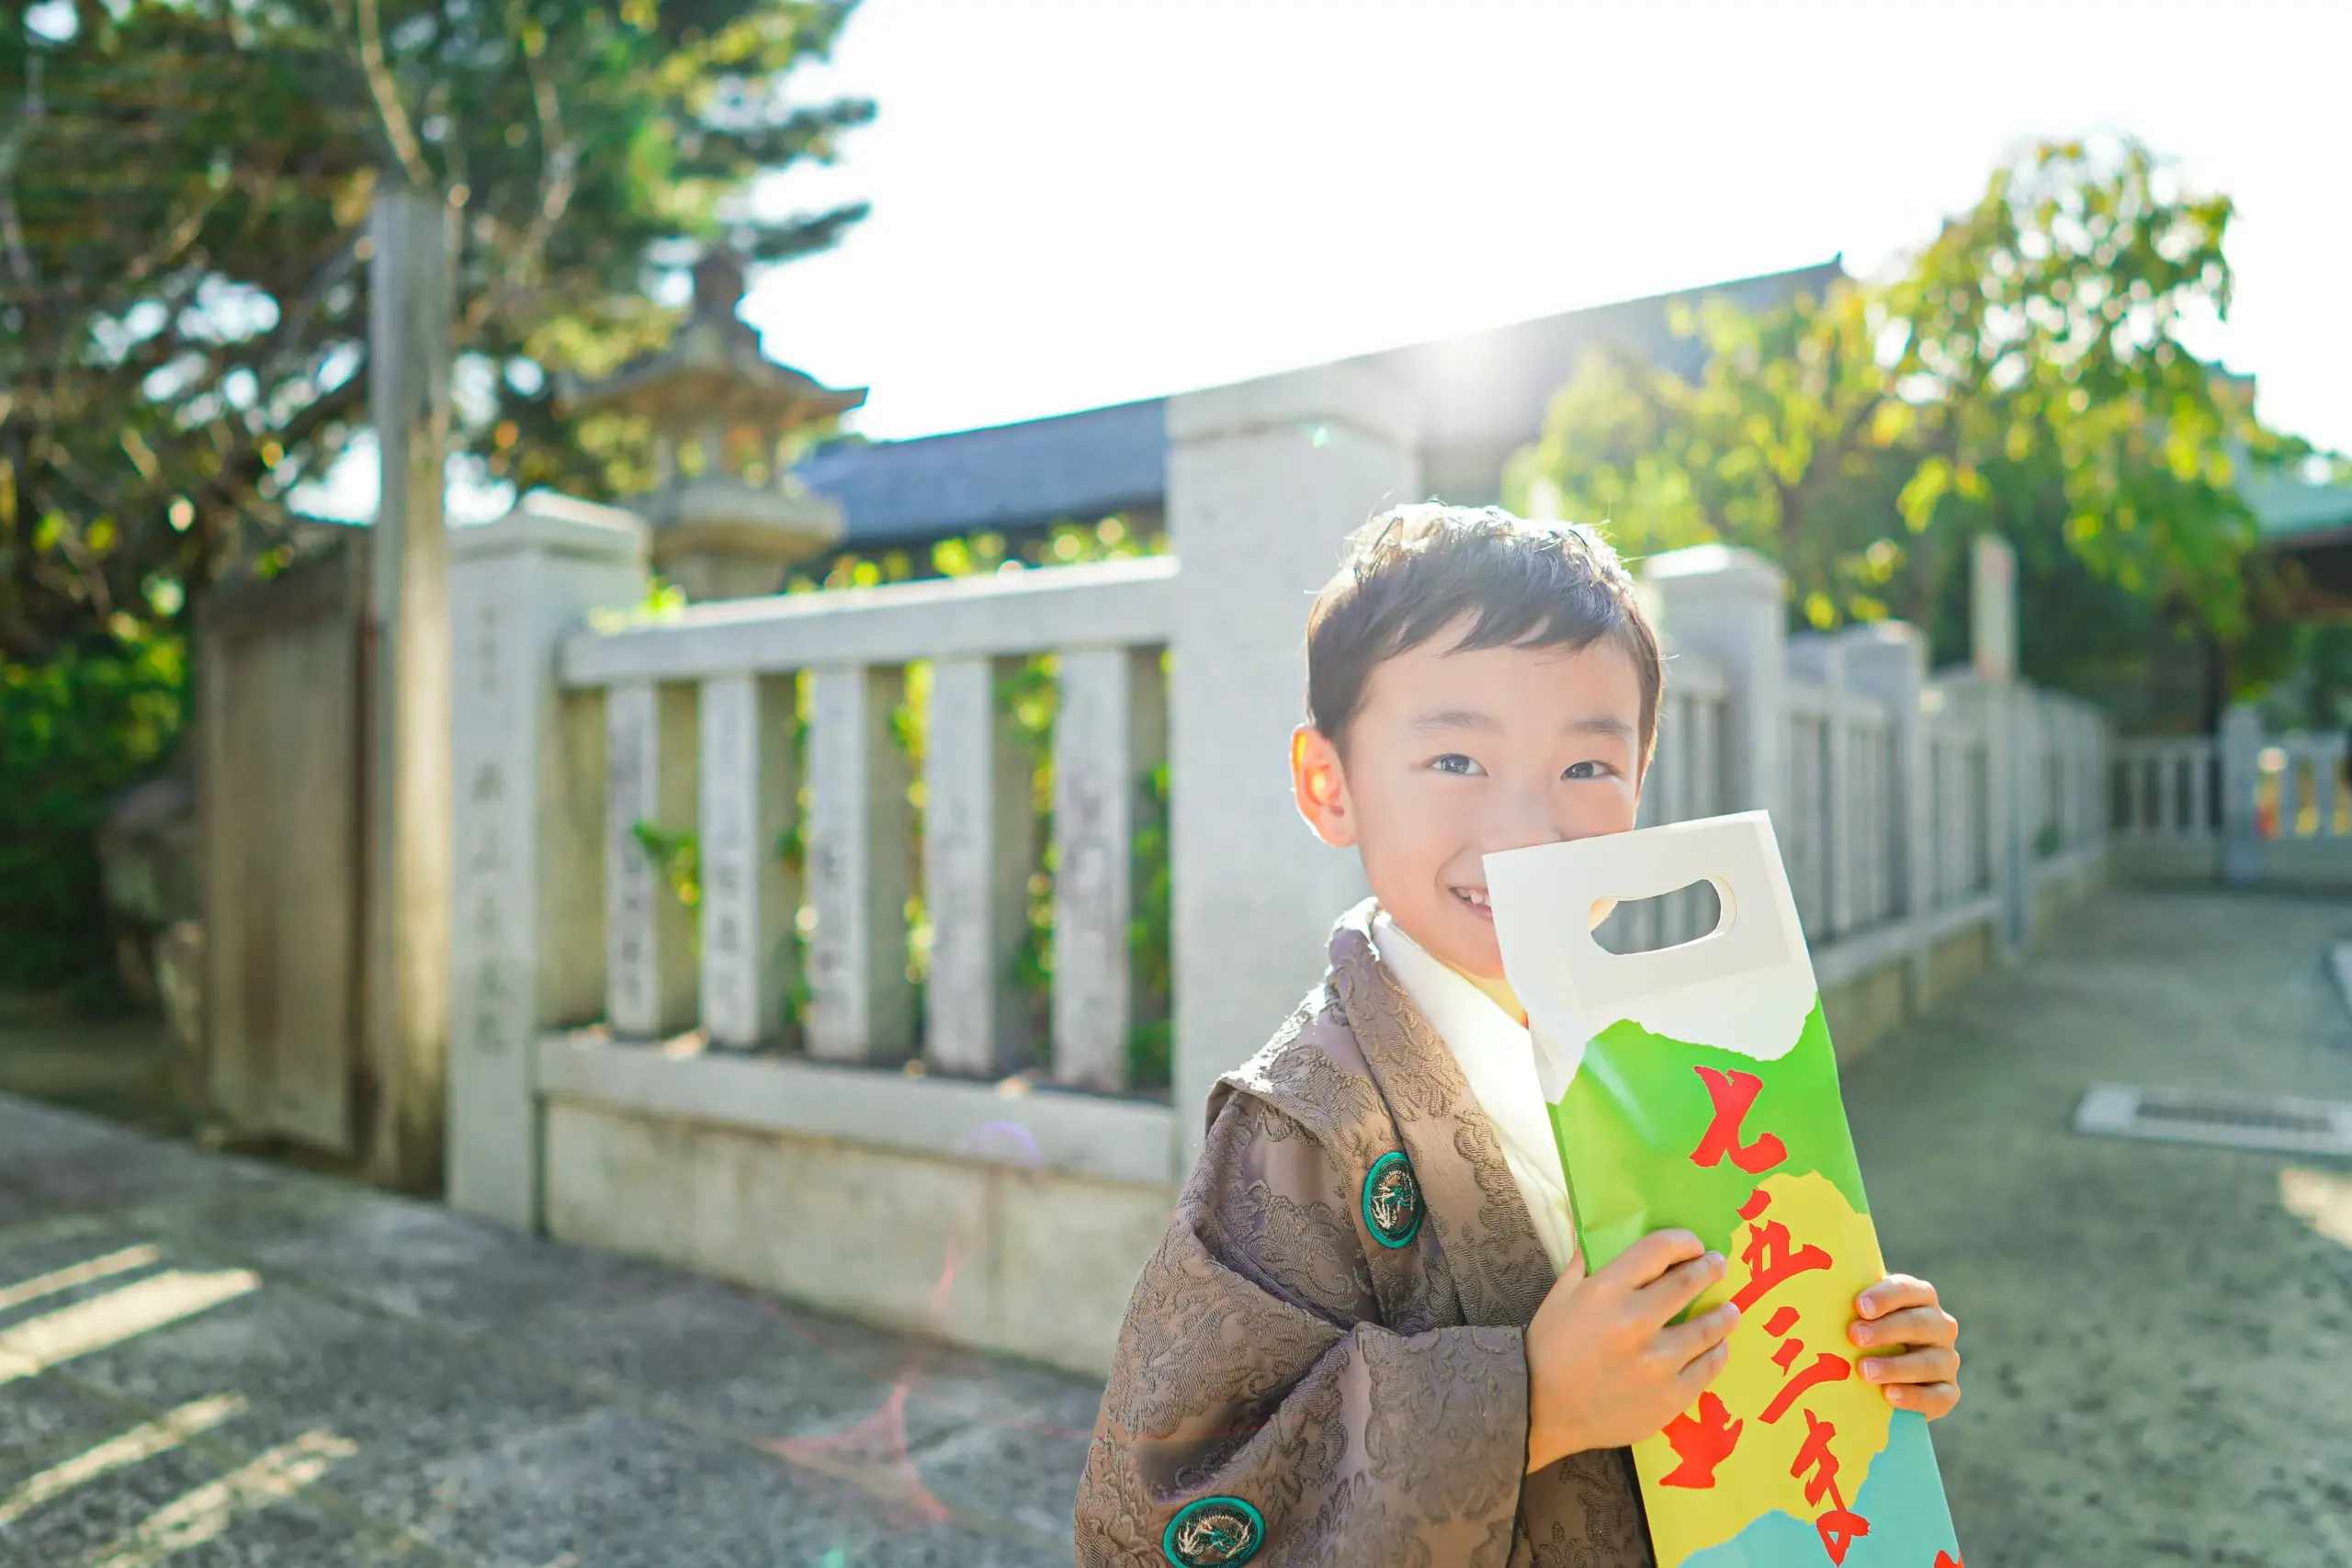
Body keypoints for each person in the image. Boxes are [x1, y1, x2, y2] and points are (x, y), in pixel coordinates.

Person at [1072, 505, 1962, 1567]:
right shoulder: (1301, 1127)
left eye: (1585, 769)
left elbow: (1739, 1348)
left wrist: (1851, 1352)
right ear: (1329, 783)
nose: (1525, 832)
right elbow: (1166, 1510)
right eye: (1456, 759)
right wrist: (1530, 1401)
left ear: (1639, 782)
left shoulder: (1679, 1060)